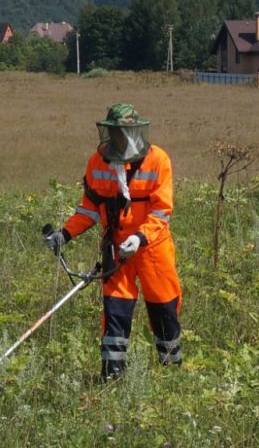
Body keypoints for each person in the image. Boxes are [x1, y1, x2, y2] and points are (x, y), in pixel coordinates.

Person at [45, 103, 183, 380]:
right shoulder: (97, 162)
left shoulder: (158, 160)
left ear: (135, 131)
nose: (119, 137)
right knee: (115, 309)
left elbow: (161, 211)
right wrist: (65, 234)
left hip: (152, 247)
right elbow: (88, 210)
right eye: (115, 131)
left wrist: (140, 237)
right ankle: (112, 374)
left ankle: (171, 371)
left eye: (124, 131)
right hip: (115, 249)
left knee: (164, 306)